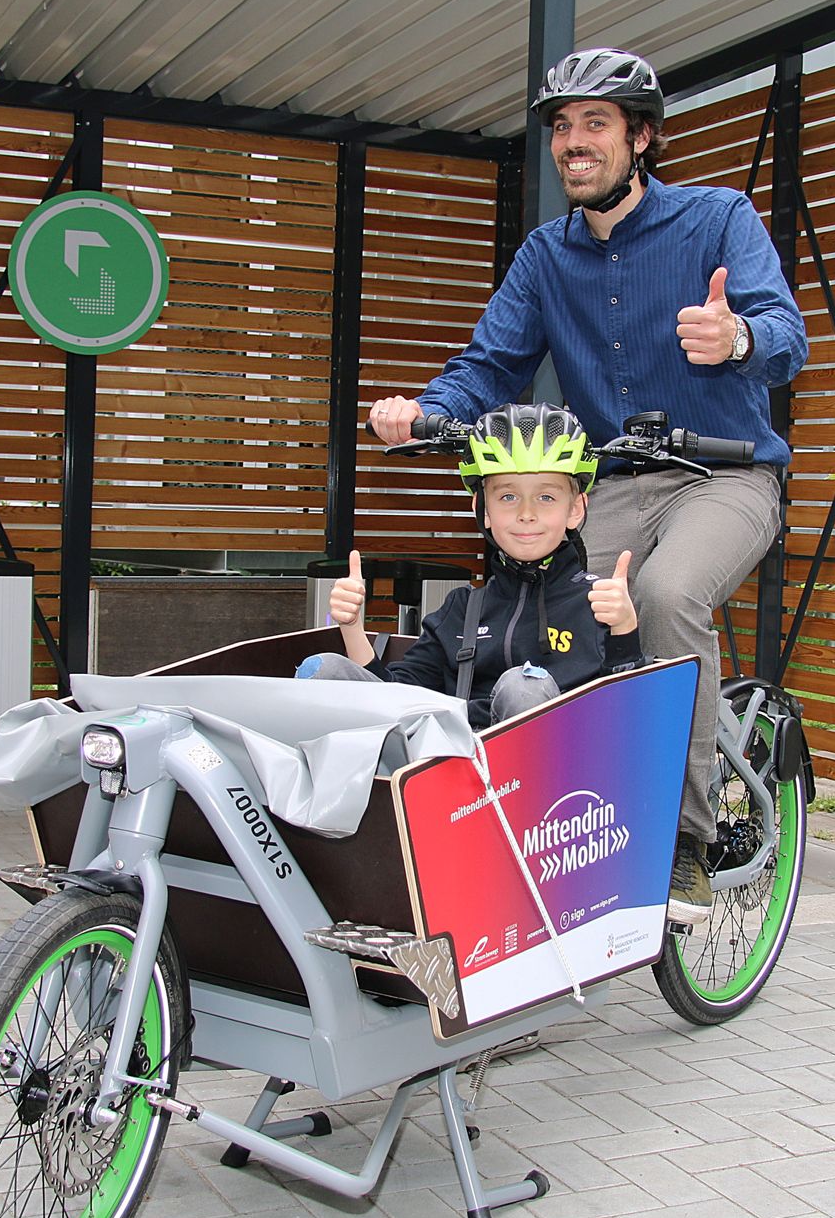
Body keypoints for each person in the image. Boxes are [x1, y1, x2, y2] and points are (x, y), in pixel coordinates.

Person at [366, 48, 808, 927]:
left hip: (725, 475)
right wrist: (424, 411)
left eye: (595, 124)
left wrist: (739, 338)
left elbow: (785, 333)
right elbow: (492, 363)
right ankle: (549, 827)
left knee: (664, 594)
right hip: (611, 485)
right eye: (562, 127)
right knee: (536, 604)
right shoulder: (545, 257)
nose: (575, 142)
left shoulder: (715, 219)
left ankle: (683, 839)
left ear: (639, 138)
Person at [302, 404, 644, 728]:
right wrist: (351, 628)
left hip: (556, 775)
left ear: (575, 508)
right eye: (508, 497)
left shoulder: (598, 604)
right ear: (483, 509)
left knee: (523, 687)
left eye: (546, 497)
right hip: (453, 771)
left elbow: (628, 722)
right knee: (322, 670)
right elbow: (394, 700)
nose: (527, 513)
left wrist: (624, 631)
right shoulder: (462, 610)